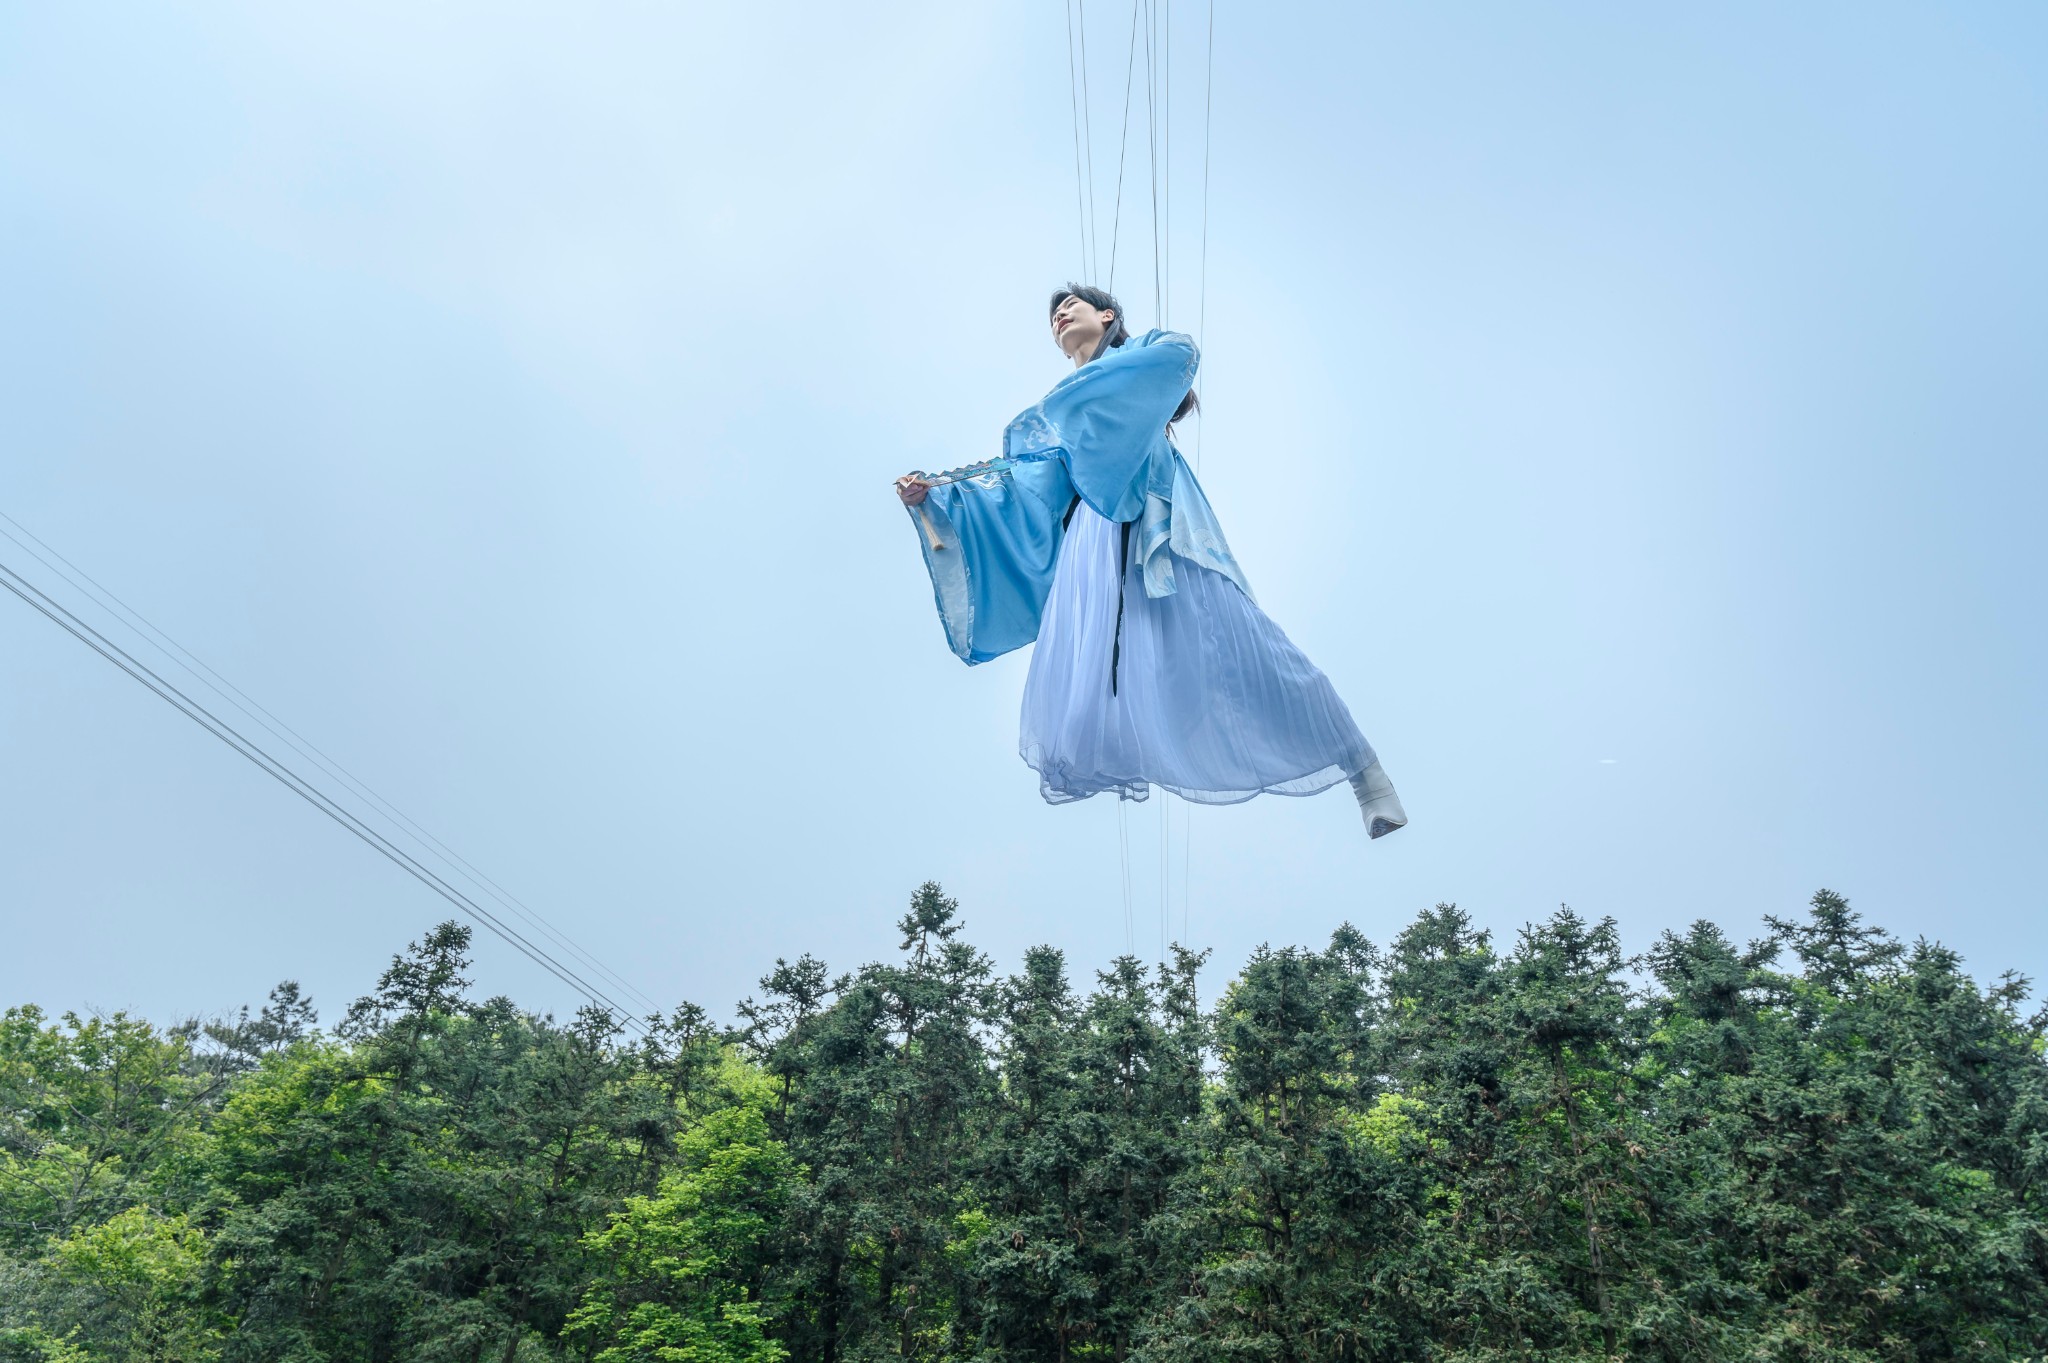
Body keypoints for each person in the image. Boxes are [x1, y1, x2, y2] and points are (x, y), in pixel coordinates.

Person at [896, 285, 1406, 837]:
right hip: (1095, 542)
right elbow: (1022, 488)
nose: (1060, 314)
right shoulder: (1057, 419)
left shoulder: (1132, 363)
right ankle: (1158, 746)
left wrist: (1081, 401)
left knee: (1252, 647)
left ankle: (1365, 771)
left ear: (1108, 316)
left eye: (1072, 304)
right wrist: (941, 493)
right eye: (1052, 314)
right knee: (1117, 675)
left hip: (1162, 525)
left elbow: (1179, 356)